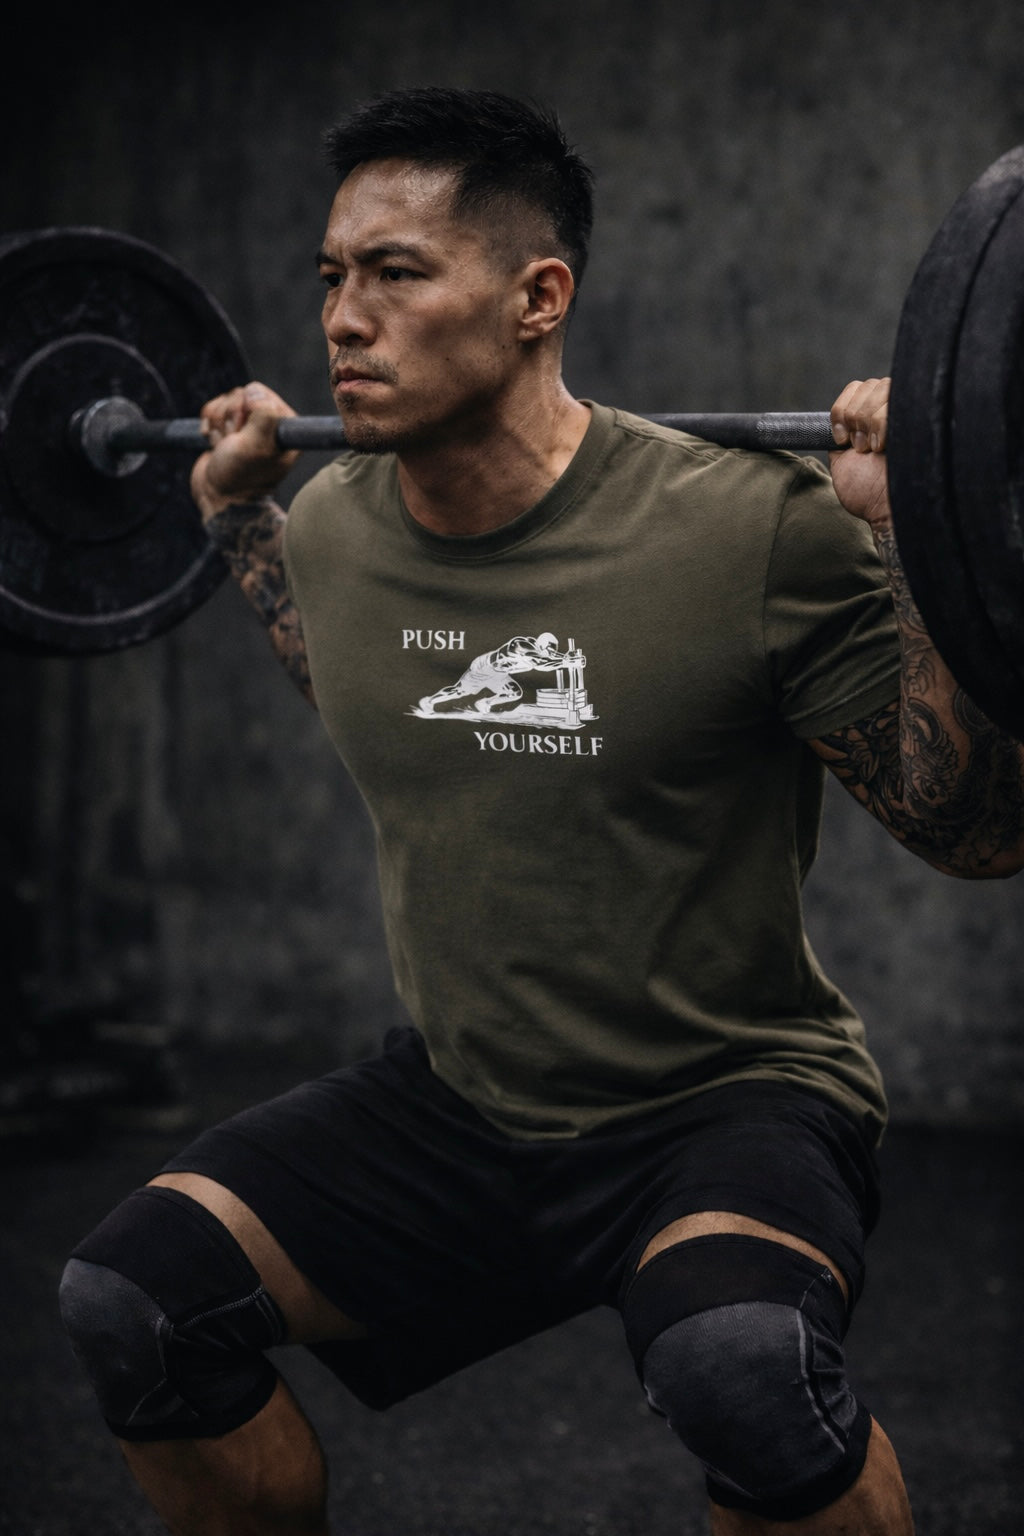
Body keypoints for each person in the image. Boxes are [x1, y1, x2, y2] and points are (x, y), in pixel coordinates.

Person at [59, 87, 1024, 1536]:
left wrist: (915, 545)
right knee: (132, 1300)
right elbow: (358, 685)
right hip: (466, 1103)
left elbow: (976, 833)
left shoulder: (752, 529)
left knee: (742, 1370)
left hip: (725, 1102)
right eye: (330, 276)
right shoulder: (330, 527)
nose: (342, 319)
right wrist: (240, 518)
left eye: (395, 273)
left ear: (536, 298)